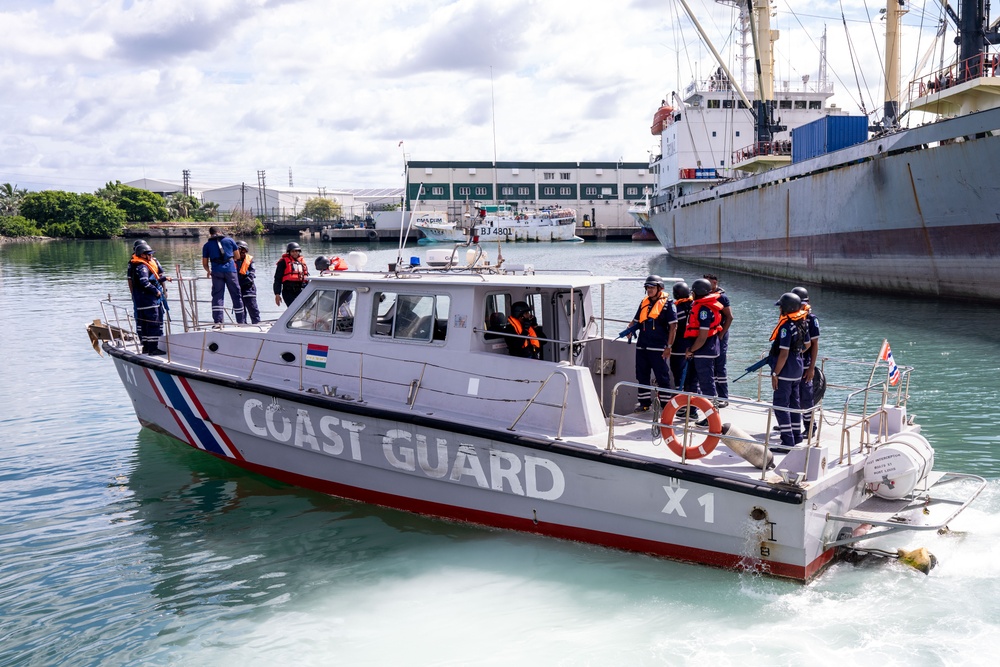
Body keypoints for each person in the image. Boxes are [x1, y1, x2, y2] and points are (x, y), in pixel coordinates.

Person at [626, 275, 676, 412]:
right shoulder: (644, 303)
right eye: (647, 287)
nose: (649, 290)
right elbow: (635, 321)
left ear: (660, 288)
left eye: (652, 287)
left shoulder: (668, 305)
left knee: (662, 376)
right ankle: (644, 403)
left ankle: (666, 405)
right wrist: (629, 329)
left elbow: (673, 327)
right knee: (641, 374)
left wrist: (669, 347)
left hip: (658, 347)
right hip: (642, 346)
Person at [769, 292, 811, 450]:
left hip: (786, 370)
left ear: (786, 309)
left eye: (781, 307)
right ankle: (797, 436)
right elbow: (807, 345)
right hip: (798, 368)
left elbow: (783, 353)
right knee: (795, 404)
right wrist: (797, 350)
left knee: (780, 405)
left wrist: (775, 373)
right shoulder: (803, 323)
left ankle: (787, 441)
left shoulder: (786, 327)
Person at [683, 278, 724, 403]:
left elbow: (702, 336)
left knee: (706, 383)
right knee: (695, 381)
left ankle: (711, 416)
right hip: (703, 350)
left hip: (704, 350)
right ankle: (693, 410)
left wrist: (691, 350)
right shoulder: (701, 306)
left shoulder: (704, 310)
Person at [201, 226, 245, 325]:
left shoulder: (207, 245)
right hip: (230, 271)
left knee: (217, 296)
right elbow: (237, 256)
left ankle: (218, 322)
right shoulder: (230, 241)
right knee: (236, 295)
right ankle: (241, 322)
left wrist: (208, 271)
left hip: (216, 272)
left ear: (210, 234)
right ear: (220, 232)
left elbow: (204, 263)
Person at [792, 286, 821, 438]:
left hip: (805, 364)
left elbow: (814, 344)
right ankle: (792, 423)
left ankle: (810, 427)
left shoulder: (811, 319)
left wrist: (811, 368)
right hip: (792, 364)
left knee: (806, 397)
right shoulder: (791, 316)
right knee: (793, 396)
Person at [128, 242, 166, 355]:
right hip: (148, 300)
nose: (151, 256)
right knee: (153, 322)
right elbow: (144, 281)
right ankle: (153, 348)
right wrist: (157, 291)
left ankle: (146, 347)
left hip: (141, 300)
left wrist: (164, 280)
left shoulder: (138, 265)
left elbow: (155, 277)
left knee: (144, 323)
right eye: (148, 254)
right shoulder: (142, 266)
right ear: (143, 255)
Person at [703, 273, 733, 406]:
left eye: (708, 283)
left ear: (715, 283)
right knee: (710, 366)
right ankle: (712, 396)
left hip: (719, 335)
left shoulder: (722, 298)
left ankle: (723, 397)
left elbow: (729, 317)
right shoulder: (703, 296)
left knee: (720, 366)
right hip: (708, 336)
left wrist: (721, 335)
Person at [669, 281, 699, 395]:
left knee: (678, 373)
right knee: (692, 377)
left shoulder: (676, 309)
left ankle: (680, 403)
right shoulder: (695, 306)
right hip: (693, 346)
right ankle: (693, 403)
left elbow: (672, 328)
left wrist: (669, 345)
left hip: (678, 347)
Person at [273, 242, 310, 307]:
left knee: (305, 308)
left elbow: (307, 276)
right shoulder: (283, 262)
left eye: (296, 251)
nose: (295, 253)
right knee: (293, 309)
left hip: (300, 290)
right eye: (292, 251)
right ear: (289, 252)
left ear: (299, 252)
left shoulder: (301, 262)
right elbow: (277, 278)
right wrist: (277, 294)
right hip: (288, 291)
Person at [234, 241, 261, 324]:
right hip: (237, 290)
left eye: (243, 250)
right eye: (239, 250)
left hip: (249, 289)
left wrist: (240, 283)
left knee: (253, 309)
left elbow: (251, 275)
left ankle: (257, 324)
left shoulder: (250, 261)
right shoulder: (232, 262)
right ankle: (242, 326)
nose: (242, 252)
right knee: (240, 312)